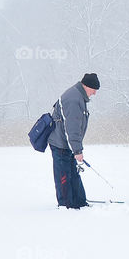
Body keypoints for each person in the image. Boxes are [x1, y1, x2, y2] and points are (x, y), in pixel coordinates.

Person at [48, 73, 99, 209]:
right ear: (86, 86)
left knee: (73, 174)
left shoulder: (78, 96)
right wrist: (77, 150)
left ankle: (79, 202)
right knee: (64, 175)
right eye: (93, 90)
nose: (94, 93)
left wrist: (75, 149)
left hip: (67, 144)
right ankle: (66, 205)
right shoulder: (74, 99)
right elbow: (72, 127)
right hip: (60, 144)